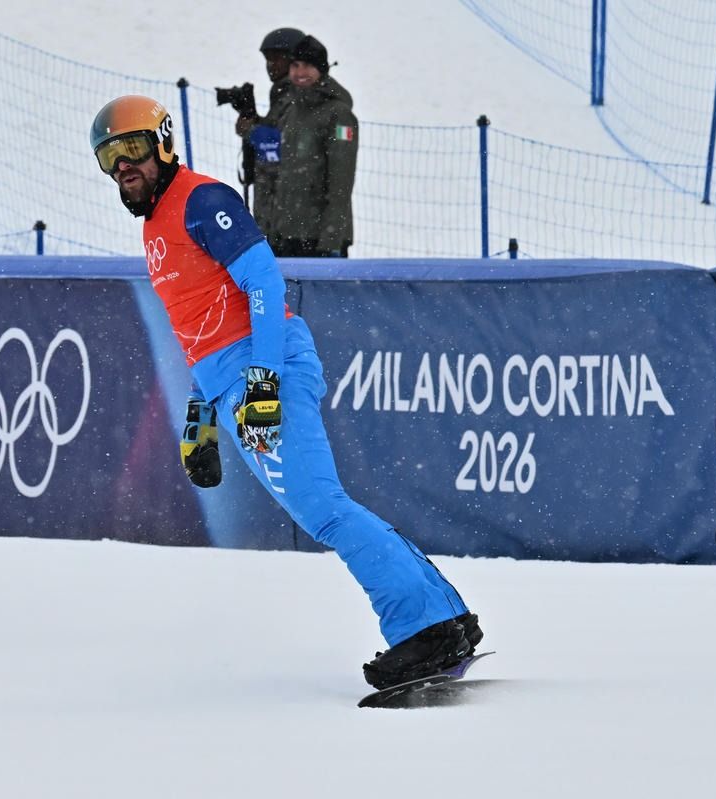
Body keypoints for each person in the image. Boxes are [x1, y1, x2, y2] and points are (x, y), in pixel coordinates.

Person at [89, 95, 482, 690]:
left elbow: (265, 285)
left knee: (323, 508)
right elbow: (200, 327)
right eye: (110, 157)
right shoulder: (155, 226)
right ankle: (442, 619)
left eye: (134, 149)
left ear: (164, 143)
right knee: (324, 506)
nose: (124, 166)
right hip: (233, 380)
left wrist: (263, 381)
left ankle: (424, 629)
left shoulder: (202, 200)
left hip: (263, 368)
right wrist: (200, 416)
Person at [270, 35, 357, 258]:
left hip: (319, 238)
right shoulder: (290, 109)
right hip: (287, 233)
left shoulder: (338, 114)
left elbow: (341, 182)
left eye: (308, 66)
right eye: (295, 65)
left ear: (321, 70)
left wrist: (331, 240)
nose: (300, 72)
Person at [233, 27, 303, 237]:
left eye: (277, 58)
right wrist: (255, 120)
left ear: (294, 60)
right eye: (268, 59)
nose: (271, 65)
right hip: (275, 204)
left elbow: (284, 142)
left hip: (284, 207)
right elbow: (277, 129)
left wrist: (251, 130)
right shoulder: (283, 92)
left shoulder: (297, 95)